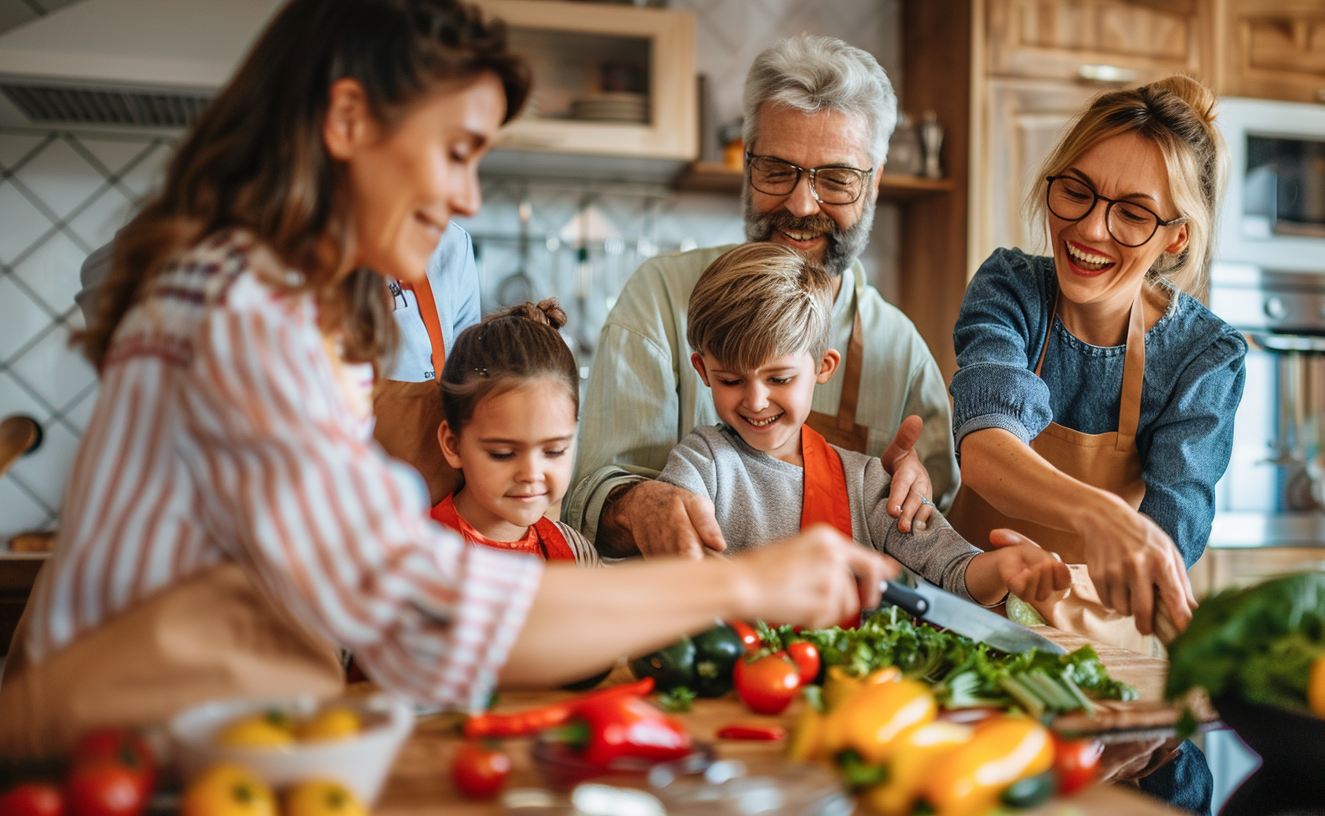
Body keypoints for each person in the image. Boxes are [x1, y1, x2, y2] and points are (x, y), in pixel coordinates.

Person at [0, 0, 898, 756]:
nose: (470, 197)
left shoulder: (305, 313)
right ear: (348, 121)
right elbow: (416, 601)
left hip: (235, 735)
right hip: (114, 748)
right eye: (458, 150)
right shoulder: (233, 304)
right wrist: (742, 585)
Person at [565, 35, 958, 560]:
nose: (800, 204)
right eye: (777, 170)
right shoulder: (659, 298)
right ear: (747, 165)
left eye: (837, 179)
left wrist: (910, 496)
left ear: (875, 183)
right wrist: (636, 505)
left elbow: (940, 532)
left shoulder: (900, 351)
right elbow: (587, 497)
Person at [950, 75, 1246, 656]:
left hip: (1096, 652)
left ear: (1175, 239)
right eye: (1077, 191)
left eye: (1133, 214)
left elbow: (1167, 541)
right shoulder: (1011, 288)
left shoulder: (1203, 356)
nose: (1089, 229)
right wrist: (1103, 517)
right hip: (964, 621)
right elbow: (985, 448)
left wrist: (1072, 575)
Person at [661, 243, 1071, 609]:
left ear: (824, 367)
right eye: (731, 381)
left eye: (779, 379)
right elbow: (676, 569)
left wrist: (1004, 569)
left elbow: (954, 571)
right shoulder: (700, 464)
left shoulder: (865, 482)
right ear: (702, 369)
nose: (755, 400)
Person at [76, 189, 481, 505]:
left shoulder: (448, 245)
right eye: (454, 154)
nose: (468, 197)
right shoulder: (234, 236)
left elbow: (468, 400)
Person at [431, 299, 597, 564]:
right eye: (503, 453)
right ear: (453, 445)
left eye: (554, 451)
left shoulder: (578, 553)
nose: (531, 473)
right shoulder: (418, 555)